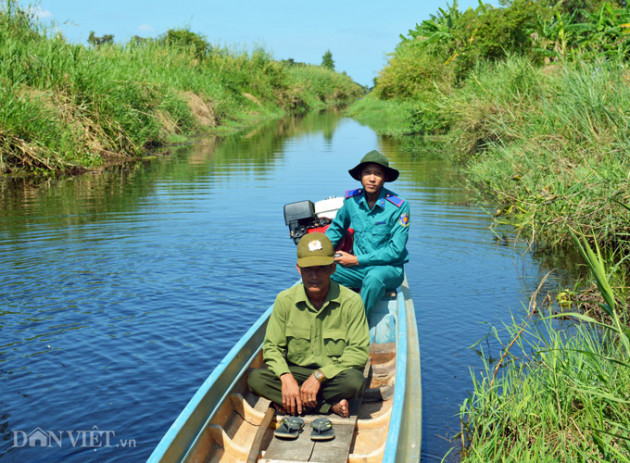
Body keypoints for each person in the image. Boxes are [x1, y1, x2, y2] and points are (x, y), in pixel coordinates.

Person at [248, 233, 369, 418]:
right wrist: (286, 378)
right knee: (255, 380)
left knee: (354, 382)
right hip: (295, 372)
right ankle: (328, 406)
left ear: (333, 268)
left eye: (321, 269)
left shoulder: (351, 302)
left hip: (332, 375)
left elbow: (358, 352)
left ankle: (293, 403)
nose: (314, 275)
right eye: (308, 269)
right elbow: (272, 348)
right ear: (299, 269)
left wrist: (319, 376)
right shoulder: (284, 300)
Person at [325, 150, 410, 314]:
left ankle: (359, 324)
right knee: (319, 272)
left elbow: (396, 250)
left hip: (387, 269)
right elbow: (336, 229)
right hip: (358, 268)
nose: (372, 178)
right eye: (367, 173)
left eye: (378, 173)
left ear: (385, 178)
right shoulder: (352, 201)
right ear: (360, 176)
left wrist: (356, 260)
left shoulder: (399, 206)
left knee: (374, 278)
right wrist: (319, 253)